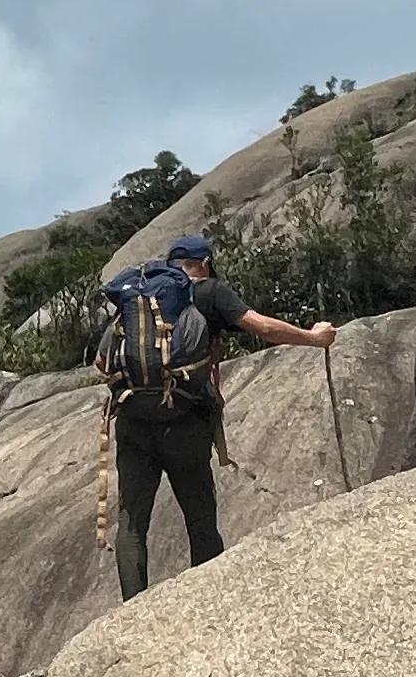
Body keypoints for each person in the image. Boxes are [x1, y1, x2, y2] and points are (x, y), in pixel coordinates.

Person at [108, 231, 339, 601]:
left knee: (133, 523)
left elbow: (102, 361)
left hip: (134, 423)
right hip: (186, 422)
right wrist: (314, 337)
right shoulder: (209, 292)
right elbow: (261, 327)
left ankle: (131, 609)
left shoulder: (139, 297)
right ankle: (211, 604)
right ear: (205, 264)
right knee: (199, 517)